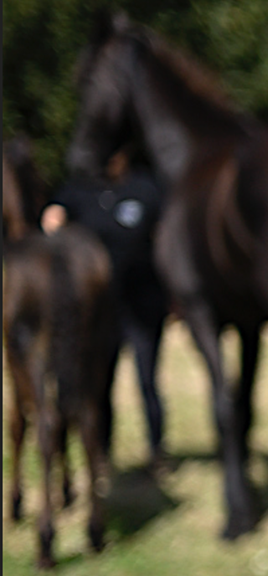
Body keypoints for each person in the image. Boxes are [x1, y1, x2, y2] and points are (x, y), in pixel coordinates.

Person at [42, 153, 170, 469]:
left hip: (144, 303)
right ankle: (103, 451)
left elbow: (166, 236)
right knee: (102, 380)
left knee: (148, 378)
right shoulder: (79, 189)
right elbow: (52, 222)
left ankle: (156, 451)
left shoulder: (146, 187)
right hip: (99, 310)